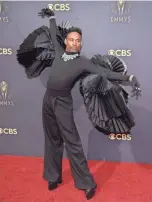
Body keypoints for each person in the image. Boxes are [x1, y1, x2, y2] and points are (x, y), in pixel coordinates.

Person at [38, 8, 141, 200]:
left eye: (78, 40)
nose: (75, 43)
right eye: (71, 39)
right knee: (52, 139)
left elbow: (107, 74)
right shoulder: (59, 52)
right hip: (47, 99)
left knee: (72, 142)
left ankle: (86, 183)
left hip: (62, 101)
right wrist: (52, 17)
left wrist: (130, 76)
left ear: (80, 43)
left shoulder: (83, 62)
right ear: (66, 41)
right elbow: (53, 34)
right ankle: (53, 176)